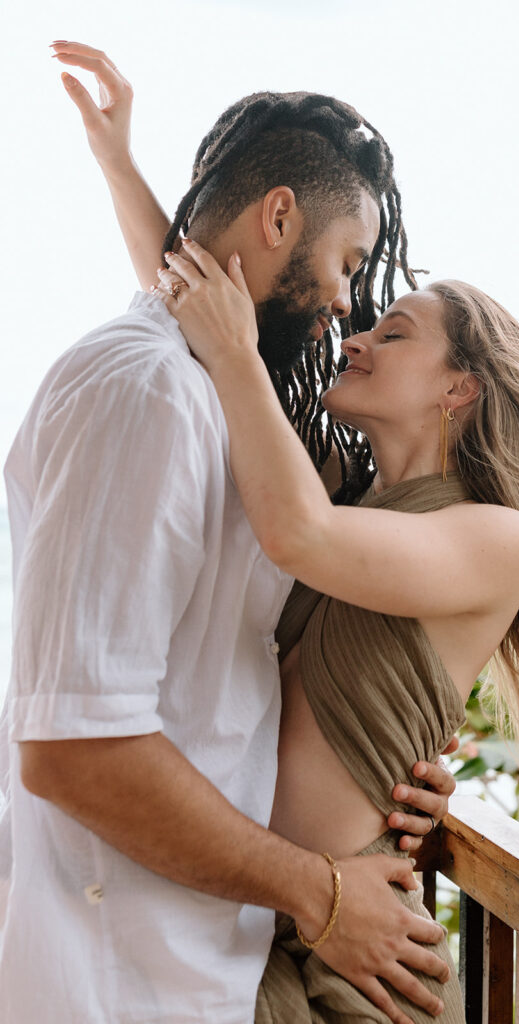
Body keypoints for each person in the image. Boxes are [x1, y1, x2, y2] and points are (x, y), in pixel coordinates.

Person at [0, 46, 460, 1024]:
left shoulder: (206, 386)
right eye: (344, 263)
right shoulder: (149, 390)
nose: (346, 302)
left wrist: (376, 760)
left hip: (190, 959)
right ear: (279, 217)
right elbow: (74, 748)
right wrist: (320, 891)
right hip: (118, 979)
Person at [151, 243, 519, 1023]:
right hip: (253, 909)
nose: (354, 341)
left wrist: (234, 351)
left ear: (457, 388)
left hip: (364, 950)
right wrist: (112, 151)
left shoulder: (497, 537)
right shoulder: (337, 489)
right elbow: (189, 286)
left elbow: (300, 537)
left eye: (392, 334)